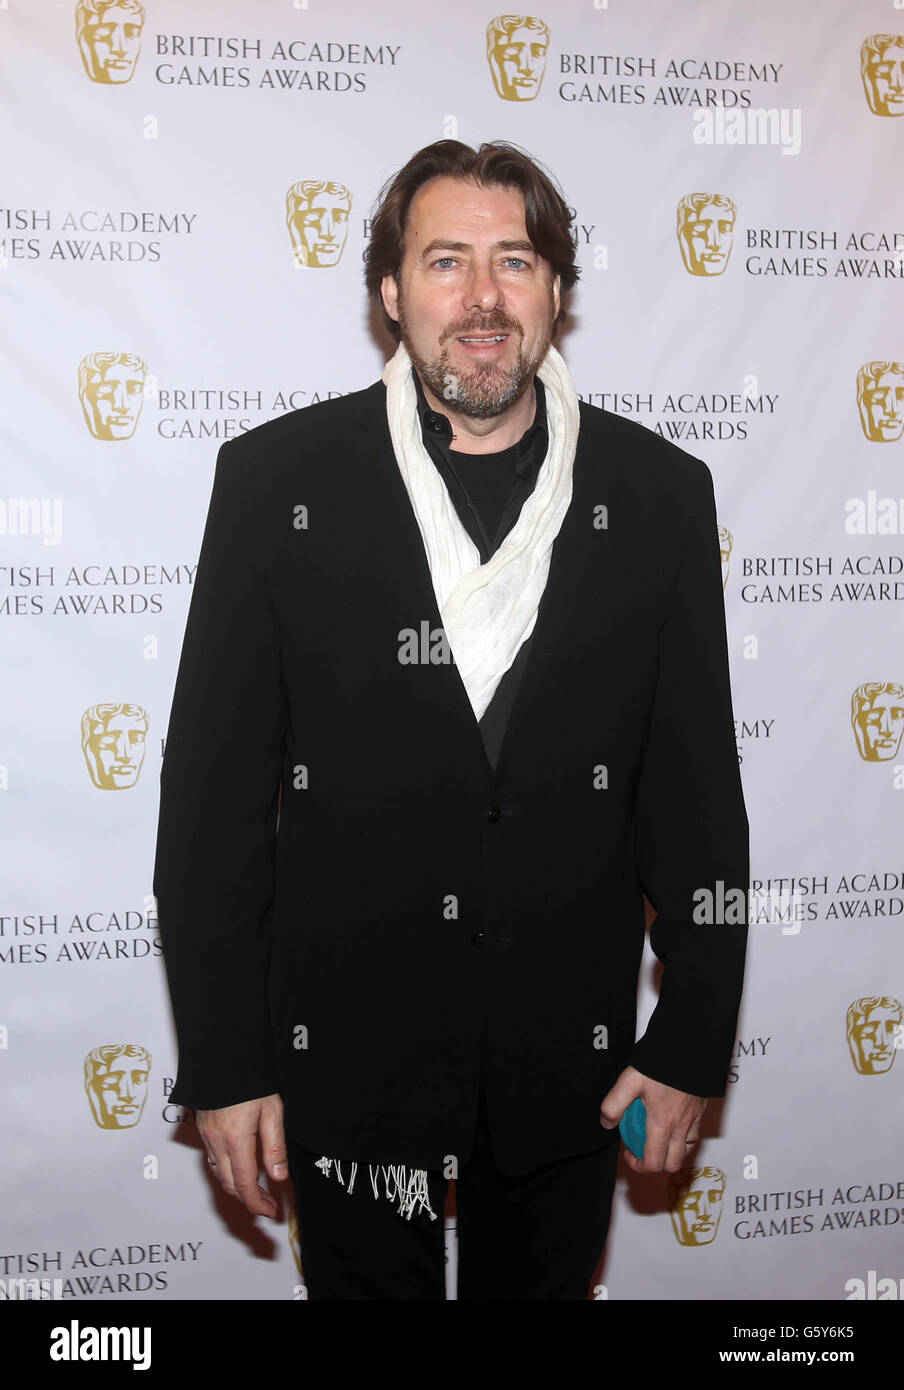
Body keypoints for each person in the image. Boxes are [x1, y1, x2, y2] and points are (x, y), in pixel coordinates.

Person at [153, 139, 749, 1300]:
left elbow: (693, 794)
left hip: (569, 1072)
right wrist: (225, 1065)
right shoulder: (278, 484)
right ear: (390, 293)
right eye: (445, 262)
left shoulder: (662, 495)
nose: (482, 297)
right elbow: (212, 806)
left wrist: (687, 1042)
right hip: (347, 1066)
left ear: (557, 292)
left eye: (514, 261)